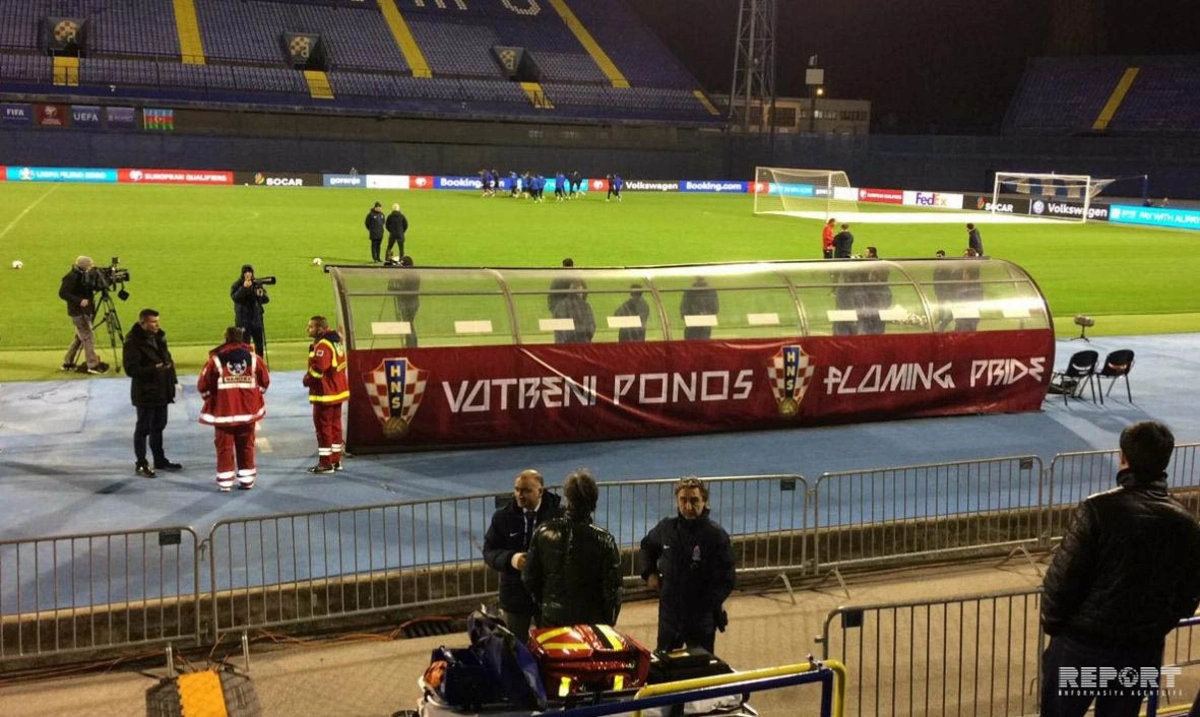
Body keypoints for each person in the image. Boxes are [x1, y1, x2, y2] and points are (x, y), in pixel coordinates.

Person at [1041, 421, 1200, 717]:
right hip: (1141, 651)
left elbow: (1062, 581)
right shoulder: (1186, 522)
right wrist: (1155, 628)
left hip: (1082, 647)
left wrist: (1056, 628)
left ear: (1123, 458)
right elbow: (1189, 595)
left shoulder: (1097, 510)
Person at [639, 477, 736, 653]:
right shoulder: (666, 528)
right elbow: (647, 546)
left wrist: (708, 605)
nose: (688, 506)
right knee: (664, 661)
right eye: (683, 500)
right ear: (677, 501)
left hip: (701, 618)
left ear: (704, 501)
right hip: (669, 616)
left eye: (694, 500)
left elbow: (727, 578)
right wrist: (649, 573)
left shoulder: (716, 536)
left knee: (701, 664)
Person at [522, 469, 622, 627]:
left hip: (551, 618)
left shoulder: (543, 532)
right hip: (590, 623)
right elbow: (612, 591)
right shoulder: (604, 540)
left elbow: (529, 577)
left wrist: (546, 604)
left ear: (567, 498)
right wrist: (608, 623)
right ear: (593, 500)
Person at [482, 469, 565, 642]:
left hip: (548, 595)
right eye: (517, 489)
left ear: (540, 491)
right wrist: (512, 559)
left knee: (551, 644)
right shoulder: (502, 517)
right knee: (514, 646)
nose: (520, 495)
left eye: (526, 490)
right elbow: (489, 551)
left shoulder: (560, 517)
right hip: (515, 596)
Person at [197, 327, 270, 492]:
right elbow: (264, 382)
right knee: (247, 446)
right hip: (248, 413)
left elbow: (203, 385)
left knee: (224, 447)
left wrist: (213, 399)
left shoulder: (216, 360)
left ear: (226, 338)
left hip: (224, 414)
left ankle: (225, 483)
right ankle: (247, 480)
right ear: (242, 338)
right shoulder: (254, 358)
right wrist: (253, 397)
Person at [123, 308, 180, 478]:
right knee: (143, 428)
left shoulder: (159, 336)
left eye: (157, 321)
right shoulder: (132, 342)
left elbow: (167, 358)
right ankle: (141, 463)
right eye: (153, 322)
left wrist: (172, 379)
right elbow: (131, 369)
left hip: (162, 390)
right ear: (143, 323)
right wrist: (154, 369)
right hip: (146, 392)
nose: (157, 325)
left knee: (159, 426)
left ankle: (159, 459)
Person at [304, 315, 349, 474]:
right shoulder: (336, 341)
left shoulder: (323, 345)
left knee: (323, 428)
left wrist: (307, 380)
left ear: (320, 328)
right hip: (338, 390)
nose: (308, 329)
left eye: (311, 326)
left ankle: (325, 463)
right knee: (336, 426)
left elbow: (318, 369)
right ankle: (335, 460)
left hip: (326, 393)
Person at [59, 255, 109, 374]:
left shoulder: (84, 275)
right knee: (88, 337)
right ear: (84, 267)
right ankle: (92, 365)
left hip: (85, 311)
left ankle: (68, 362)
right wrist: (79, 301)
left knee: (80, 337)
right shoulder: (71, 277)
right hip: (78, 312)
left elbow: (92, 287)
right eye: (90, 266)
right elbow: (63, 293)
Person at [231, 264, 270, 359]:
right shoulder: (237, 285)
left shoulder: (256, 284)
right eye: (246, 272)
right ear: (243, 274)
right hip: (243, 320)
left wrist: (260, 294)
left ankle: (259, 362)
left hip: (256, 318)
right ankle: (246, 362)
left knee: (259, 344)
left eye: (250, 272)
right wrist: (244, 288)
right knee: (244, 344)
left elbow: (266, 299)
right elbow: (236, 298)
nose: (248, 274)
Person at [388, 255, 420, 348]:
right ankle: (411, 343)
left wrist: (394, 288)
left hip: (407, 302)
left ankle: (412, 344)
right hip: (413, 302)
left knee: (408, 324)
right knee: (408, 323)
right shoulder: (413, 274)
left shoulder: (408, 276)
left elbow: (404, 290)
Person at [954, 248, 983, 332]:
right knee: (959, 327)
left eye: (966, 256)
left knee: (970, 327)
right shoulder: (960, 271)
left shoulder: (975, 273)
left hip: (971, 304)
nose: (963, 258)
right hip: (960, 303)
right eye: (964, 256)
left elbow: (977, 294)